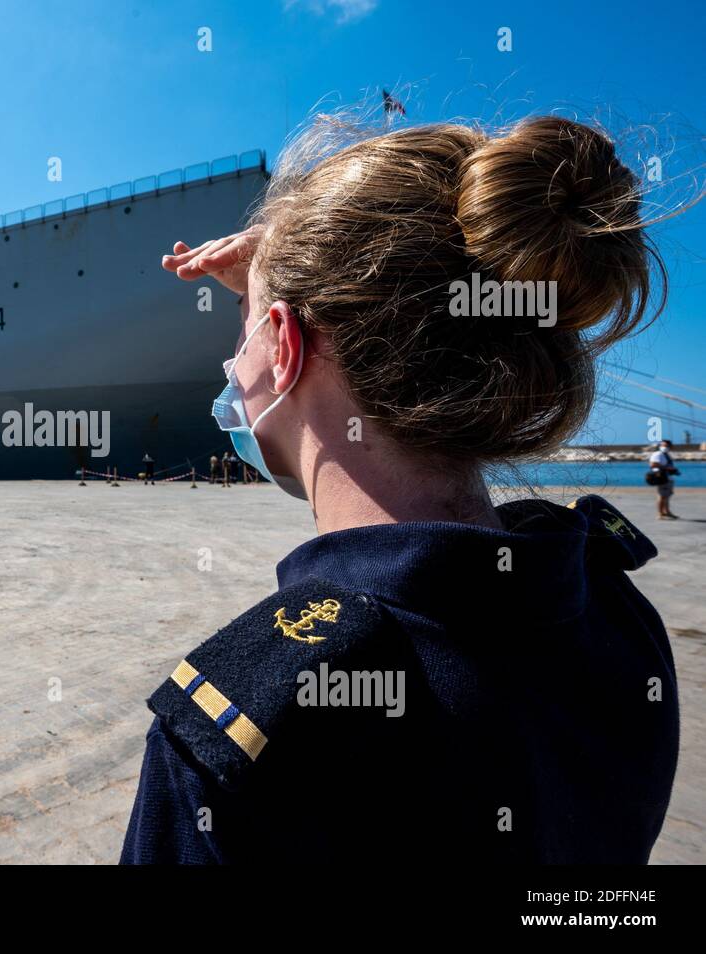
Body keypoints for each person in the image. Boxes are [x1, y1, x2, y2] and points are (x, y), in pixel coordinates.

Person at [121, 115, 680, 864]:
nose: (233, 363)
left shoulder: (249, 736)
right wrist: (290, 272)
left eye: (243, 330)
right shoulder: (615, 613)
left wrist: (284, 277)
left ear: (282, 349)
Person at [648, 439, 679, 519]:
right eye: (662, 445)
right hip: (661, 477)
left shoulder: (666, 454)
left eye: (666, 445)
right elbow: (652, 465)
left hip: (668, 477)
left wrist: (672, 470)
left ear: (670, 446)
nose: (664, 447)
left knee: (667, 496)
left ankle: (667, 512)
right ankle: (660, 514)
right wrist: (667, 468)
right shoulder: (658, 454)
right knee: (662, 496)